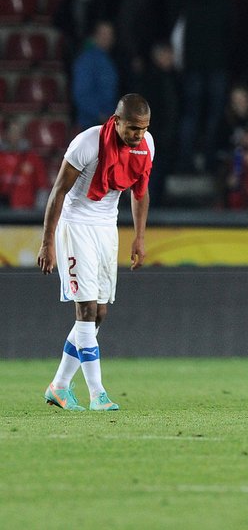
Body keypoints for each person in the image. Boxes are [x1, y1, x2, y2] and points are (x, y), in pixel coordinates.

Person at [38, 94, 154, 412]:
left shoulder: (147, 146)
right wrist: (47, 242)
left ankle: (59, 386)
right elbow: (59, 190)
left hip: (107, 228)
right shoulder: (88, 143)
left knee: (99, 314)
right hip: (76, 225)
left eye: (143, 129)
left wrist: (139, 237)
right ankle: (97, 393)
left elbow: (140, 193)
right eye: (132, 129)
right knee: (86, 310)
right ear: (116, 122)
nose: (138, 136)